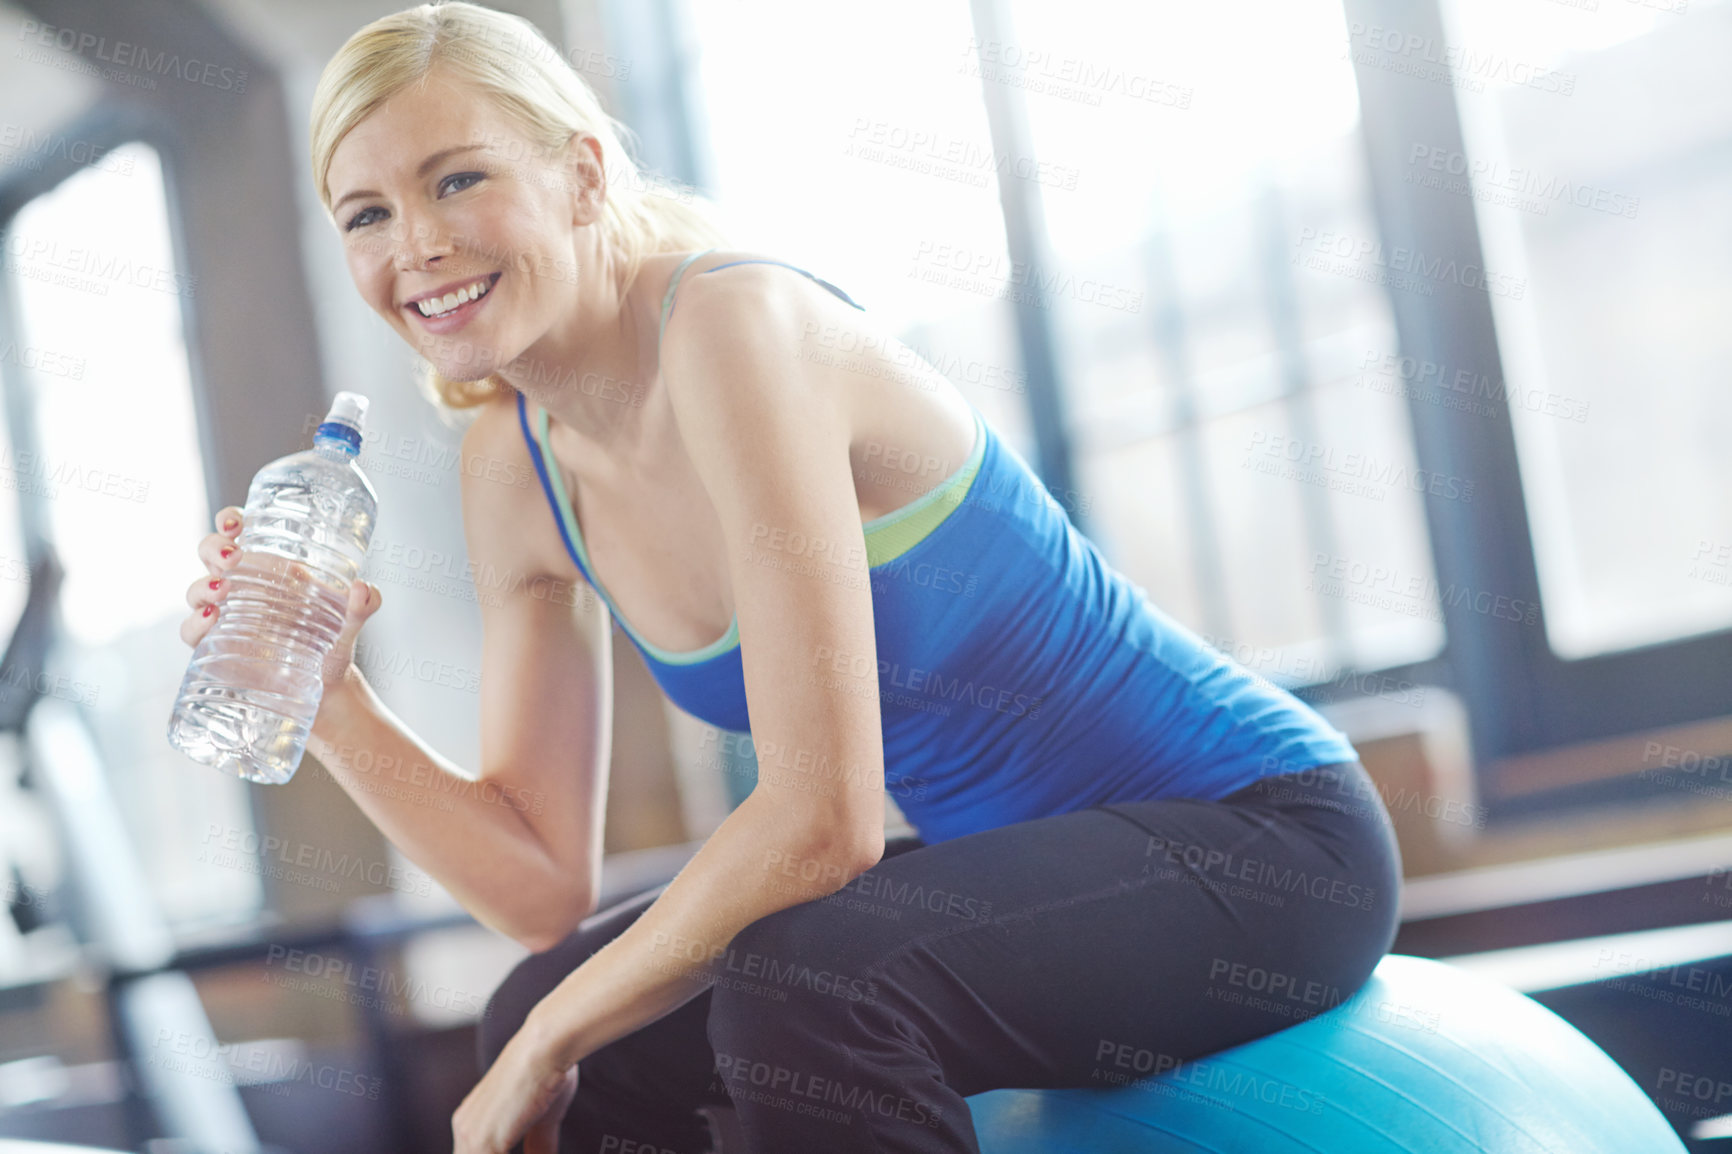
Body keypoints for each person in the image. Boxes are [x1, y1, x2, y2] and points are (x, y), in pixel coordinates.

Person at [183, 3, 1402, 1151]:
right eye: (366, 214)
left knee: (789, 991)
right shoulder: (516, 467)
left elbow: (825, 821)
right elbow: (538, 880)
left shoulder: (733, 328)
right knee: (539, 1007)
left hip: (1266, 839)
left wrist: (556, 1035)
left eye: (458, 178)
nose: (421, 244)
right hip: (1029, 869)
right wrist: (329, 698)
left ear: (585, 174)